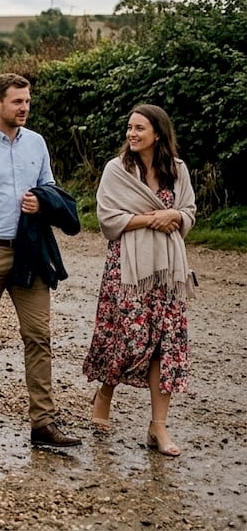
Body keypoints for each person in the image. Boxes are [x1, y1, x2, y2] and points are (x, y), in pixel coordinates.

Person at [0, 72, 81, 447]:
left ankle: (43, 422)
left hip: (30, 250)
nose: (25, 107)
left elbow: (49, 185)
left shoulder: (36, 143)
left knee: (38, 335)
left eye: (28, 100)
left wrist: (42, 200)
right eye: (18, 101)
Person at [83, 104, 196, 457]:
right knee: (124, 339)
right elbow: (107, 219)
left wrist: (174, 214)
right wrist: (150, 220)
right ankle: (105, 393)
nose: (132, 134)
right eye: (129, 128)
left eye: (139, 128)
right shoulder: (117, 171)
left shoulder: (177, 171)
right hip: (127, 270)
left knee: (166, 344)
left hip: (168, 272)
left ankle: (158, 426)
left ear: (158, 134)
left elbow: (189, 212)